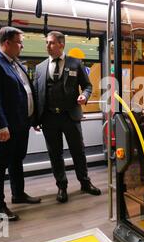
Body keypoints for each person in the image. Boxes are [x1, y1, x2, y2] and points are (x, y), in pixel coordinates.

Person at [0, 27, 41, 221]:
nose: (22, 46)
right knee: (0, 164)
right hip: (6, 127)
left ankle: (18, 194)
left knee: (17, 160)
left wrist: (33, 119)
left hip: (22, 124)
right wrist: (1, 126)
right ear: (7, 43)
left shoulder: (16, 64)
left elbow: (27, 92)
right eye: (19, 42)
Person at [34, 31, 101, 203]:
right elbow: (36, 95)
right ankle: (61, 187)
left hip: (70, 116)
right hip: (49, 118)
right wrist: (35, 119)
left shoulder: (75, 63)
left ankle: (85, 183)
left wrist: (85, 96)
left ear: (61, 44)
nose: (47, 46)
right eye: (47, 43)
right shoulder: (40, 68)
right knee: (55, 155)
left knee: (78, 152)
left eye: (51, 43)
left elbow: (87, 85)